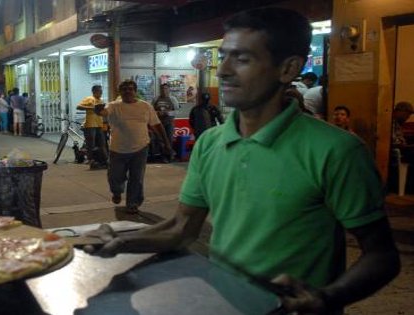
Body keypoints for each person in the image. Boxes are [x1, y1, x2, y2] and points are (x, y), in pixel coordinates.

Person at [85, 8, 400, 315]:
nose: (223, 70)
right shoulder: (210, 143)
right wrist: (120, 241)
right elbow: (182, 228)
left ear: (288, 69)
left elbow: (383, 256)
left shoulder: (337, 151)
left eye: (243, 59)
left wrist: (326, 297)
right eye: (224, 56)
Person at [94, 80, 172, 214]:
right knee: (115, 177)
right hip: (118, 149)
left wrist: (166, 143)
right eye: (124, 89)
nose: (128, 91)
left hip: (140, 148)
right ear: (120, 92)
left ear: (135, 91)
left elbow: (157, 124)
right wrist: (99, 111)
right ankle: (117, 191)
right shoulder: (114, 105)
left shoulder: (145, 106)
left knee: (137, 178)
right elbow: (104, 112)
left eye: (130, 89)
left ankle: (133, 203)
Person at [77, 85, 108, 169]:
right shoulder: (89, 99)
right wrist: (91, 107)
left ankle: (105, 161)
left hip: (99, 124)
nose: (101, 93)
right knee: (91, 144)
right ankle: (90, 160)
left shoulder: (101, 100)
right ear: (94, 91)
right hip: (90, 125)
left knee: (102, 144)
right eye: (99, 91)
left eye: (101, 92)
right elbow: (78, 106)